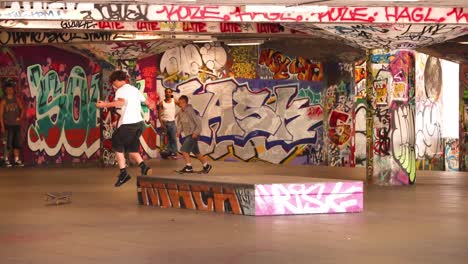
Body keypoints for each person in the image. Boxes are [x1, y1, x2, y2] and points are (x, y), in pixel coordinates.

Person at [96, 70, 155, 187]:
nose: (113, 86)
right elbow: (149, 103)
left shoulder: (121, 90)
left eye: (113, 83)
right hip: (139, 124)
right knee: (131, 149)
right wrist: (151, 106)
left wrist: (104, 105)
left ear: (117, 80)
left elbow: (120, 103)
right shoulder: (134, 89)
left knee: (116, 143)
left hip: (129, 123)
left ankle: (123, 173)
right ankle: (144, 167)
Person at [176, 95, 212, 173]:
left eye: (183, 103)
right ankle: (206, 166)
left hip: (192, 134)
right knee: (197, 153)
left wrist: (196, 132)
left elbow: (198, 122)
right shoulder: (181, 112)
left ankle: (189, 167)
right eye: (180, 103)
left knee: (184, 150)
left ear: (186, 103)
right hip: (188, 134)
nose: (181, 104)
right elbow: (181, 123)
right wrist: (178, 131)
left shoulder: (190, 110)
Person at [0, 81, 25, 167]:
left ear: (13, 90)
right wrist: (2, 127)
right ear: (6, 91)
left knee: (16, 143)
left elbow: (22, 109)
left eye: (11, 89)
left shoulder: (16, 99)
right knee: (8, 144)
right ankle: (6, 159)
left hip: (16, 125)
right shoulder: (4, 101)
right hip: (8, 125)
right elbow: (1, 115)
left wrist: (20, 118)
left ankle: (16, 160)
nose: (10, 91)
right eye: (8, 89)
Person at [158, 88, 178, 159]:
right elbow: (159, 115)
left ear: (171, 93)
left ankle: (174, 153)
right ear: (165, 93)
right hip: (165, 123)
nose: (168, 93)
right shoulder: (161, 103)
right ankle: (166, 153)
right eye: (167, 92)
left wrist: (177, 114)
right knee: (164, 139)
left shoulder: (174, 101)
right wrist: (162, 124)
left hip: (172, 123)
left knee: (173, 138)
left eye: (169, 92)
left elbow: (181, 107)